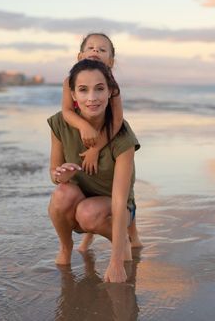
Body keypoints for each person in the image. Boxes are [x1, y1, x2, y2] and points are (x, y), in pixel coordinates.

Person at [48, 59, 139, 283]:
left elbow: (119, 200)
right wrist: (61, 175)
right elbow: (53, 173)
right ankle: (65, 248)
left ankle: (122, 241)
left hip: (116, 208)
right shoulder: (61, 123)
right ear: (73, 95)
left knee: (87, 212)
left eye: (100, 89)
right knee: (62, 193)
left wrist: (116, 262)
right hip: (82, 201)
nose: (92, 98)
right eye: (83, 90)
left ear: (110, 92)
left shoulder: (122, 135)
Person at [61, 33, 142, 251]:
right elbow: (67, 111)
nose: (96, 51)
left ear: (111, 62)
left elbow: (116, 122)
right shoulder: (70, 82)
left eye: (102, 49)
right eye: (91, 48)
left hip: (111, 138)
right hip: (87, 132)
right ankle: (90, 236)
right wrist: (84, 126)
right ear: (80, 56)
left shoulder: (112, 87)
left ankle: (131, 233)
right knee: (89, 182)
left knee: (119, 187)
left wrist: (96, 148)